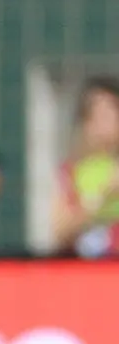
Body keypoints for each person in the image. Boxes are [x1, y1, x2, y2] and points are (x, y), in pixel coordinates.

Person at [51, 77, 119, 257]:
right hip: (87, 268)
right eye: (97, 114)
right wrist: (101, 196)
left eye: (112, 112)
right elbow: (60, 231)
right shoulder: (72, 171)